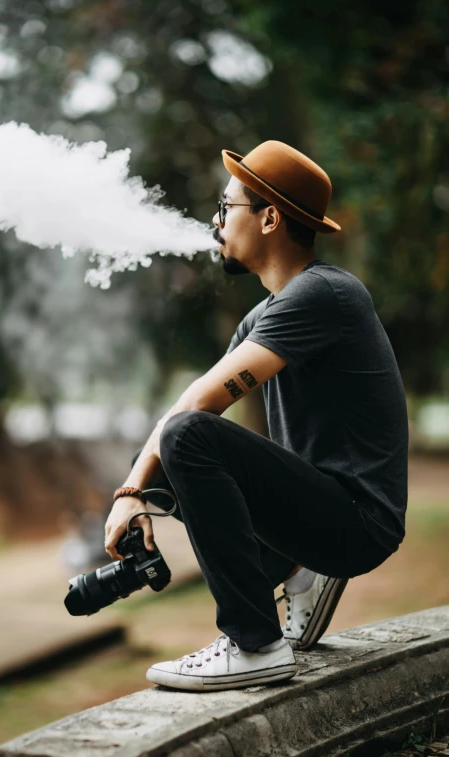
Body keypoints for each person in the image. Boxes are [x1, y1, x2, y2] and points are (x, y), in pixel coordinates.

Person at [103, 140, 409, 691]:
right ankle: (298, 570)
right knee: (172, 449)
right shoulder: (260, 320)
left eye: (226, 208)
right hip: (313, 516)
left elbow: (198, 406)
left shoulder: (325, 294)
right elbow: (190, 415)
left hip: (358, 521)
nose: (215, 221)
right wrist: (142, 491)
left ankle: (255, 645)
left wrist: (129, 494)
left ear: (269, 218)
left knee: (187, 434)